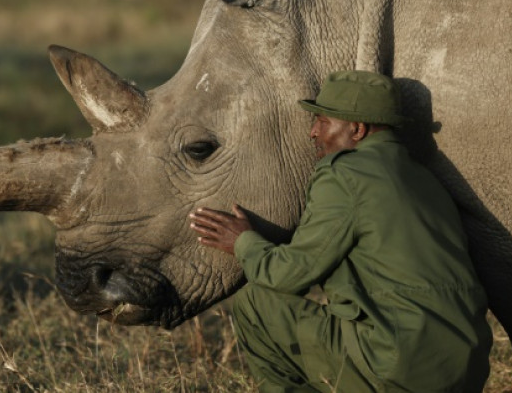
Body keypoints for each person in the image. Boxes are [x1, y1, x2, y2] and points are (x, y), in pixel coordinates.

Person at [189, 71, 492, 392]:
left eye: (322, 121)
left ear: (357, 129)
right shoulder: (426, 179)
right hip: (467, 367)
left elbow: (289, 275)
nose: (313, 132)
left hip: (396, 365)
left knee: (256, 304)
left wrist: (243, 242)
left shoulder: (344, 173)